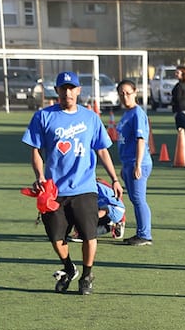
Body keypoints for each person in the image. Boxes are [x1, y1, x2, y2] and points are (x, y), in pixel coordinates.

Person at [21, 71, 123, 295]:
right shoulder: (43, 116)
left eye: (71, 88)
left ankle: (87, 275)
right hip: (54, 190)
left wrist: (114, 179)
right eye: (63, 88)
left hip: (85, 187)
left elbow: (102, 150)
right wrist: (39, 176)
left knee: (89, 235)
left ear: (78, 90)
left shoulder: (90, 118)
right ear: (56, 91)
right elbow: (35, 150)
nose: (67, 92)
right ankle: (69, 267)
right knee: (56, 238)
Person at [116, 79, 153, 246]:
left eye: (128, 93)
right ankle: (141, 232)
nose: (125, 97)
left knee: (139, 199)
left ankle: (145, 234)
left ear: (135, 92)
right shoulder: (127, 114)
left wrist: (137, 164)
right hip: (128, 162)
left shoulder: (137, 113)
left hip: (138, 162)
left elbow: (140, 140)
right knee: (134, 199)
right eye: (121, 94)